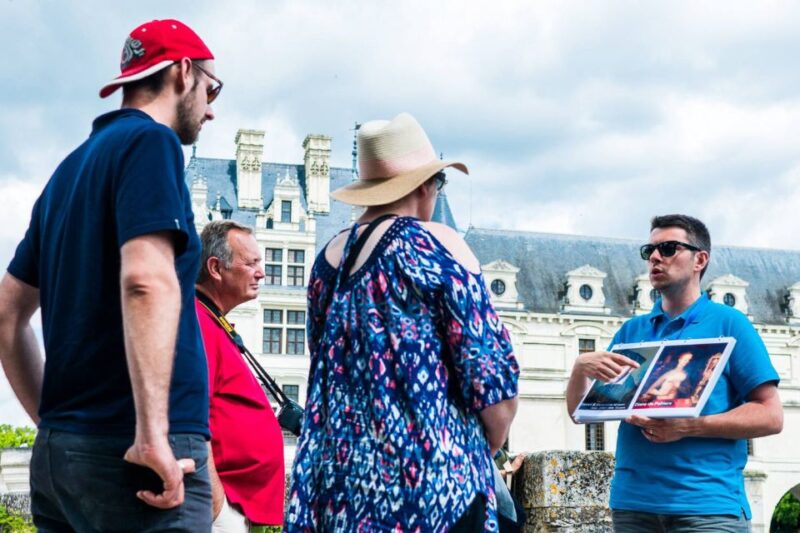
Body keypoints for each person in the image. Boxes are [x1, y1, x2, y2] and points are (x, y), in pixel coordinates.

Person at [0, 19, 221, 531]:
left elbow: (7, 314)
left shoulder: (70, 169)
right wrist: (152, 435)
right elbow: (145, 280)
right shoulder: (151, 145)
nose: (212, 108)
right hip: (135, 460)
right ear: (184, 73)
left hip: (63, 458)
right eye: (212, 88)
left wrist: (54, 425)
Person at [285, 112, 520, 531]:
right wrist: (489, 444)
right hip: (428, 488)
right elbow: (491, 380)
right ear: (426, 185)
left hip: (337, 488)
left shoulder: (327, 260)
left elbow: (322, 359)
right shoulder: (436, 244)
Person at [566, 214, 783, 533]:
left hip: (707, 507)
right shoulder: (631, 331)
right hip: (632, 504)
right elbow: (581, 413)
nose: (654, 256)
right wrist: (579, 370)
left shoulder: (730, 324)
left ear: (700, 259)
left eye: (668, 248)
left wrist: (690, 426)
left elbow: (771, 415)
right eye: (649, 250)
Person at [194, 220, 285, 532]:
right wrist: (217, 509)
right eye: (251, 263)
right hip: (223, 509)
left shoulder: (210, 319)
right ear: (216, 268)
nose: (261, 273)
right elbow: (192, 418)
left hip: (236, 506)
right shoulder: (199, 323)